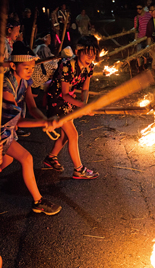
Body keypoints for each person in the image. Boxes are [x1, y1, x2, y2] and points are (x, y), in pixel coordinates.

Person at [1, 42, 62, 215]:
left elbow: (33, 108)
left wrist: (46, 121)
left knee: (8, 160)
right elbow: (17, 121)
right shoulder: (6, 86)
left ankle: (38, 201)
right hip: (2, 131)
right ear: (13, 65)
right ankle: (38, 201)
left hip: (7, 131)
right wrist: (44, 123)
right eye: (26, 67)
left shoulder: (25, 82)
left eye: (32, 67)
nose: (30, 70)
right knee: (25, 158)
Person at [44, 35, 100, 180]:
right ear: (78, 51)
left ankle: (51, 157)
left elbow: (85, 88)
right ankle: (78, 169)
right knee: (73, 135)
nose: (90, 58)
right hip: (56, 100)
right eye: (87, 54)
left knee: (66, 135)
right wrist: (82, 106)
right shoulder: (68, 65)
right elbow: (63, 94)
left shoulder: (90, 67)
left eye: (93, 54)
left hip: (69, 99)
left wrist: (84, 104)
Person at [134, 1, 152, 72]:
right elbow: (136, 29)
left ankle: (145, 66)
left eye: (140, 8)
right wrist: (135, 40)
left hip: (148, 38)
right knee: (139, 54)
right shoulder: (136, 18)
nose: (138, 10)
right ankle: (140, 67)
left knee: (147, 54)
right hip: (140, 38)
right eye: (137, 9)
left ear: (143, 8)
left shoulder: (149, 15)